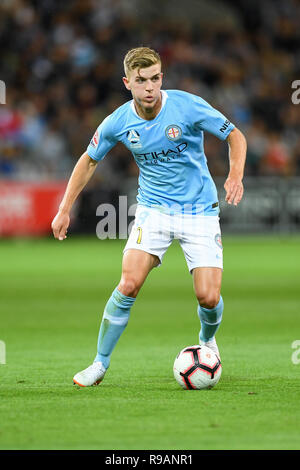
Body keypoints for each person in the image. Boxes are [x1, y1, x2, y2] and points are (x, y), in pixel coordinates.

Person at [51, 47, 247, 387]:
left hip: (198, 210)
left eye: (155, 79)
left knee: (208, 297)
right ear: (128, 82)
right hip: (153, 210)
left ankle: (207, 339)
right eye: (141, 81)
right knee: (128, 284)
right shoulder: (118, 121)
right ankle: (99, 363)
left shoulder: (187, 105)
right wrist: (64, 209)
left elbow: (235, 135)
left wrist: (235, 174)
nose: (149, 88)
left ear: (161, 78)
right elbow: (89, 159)